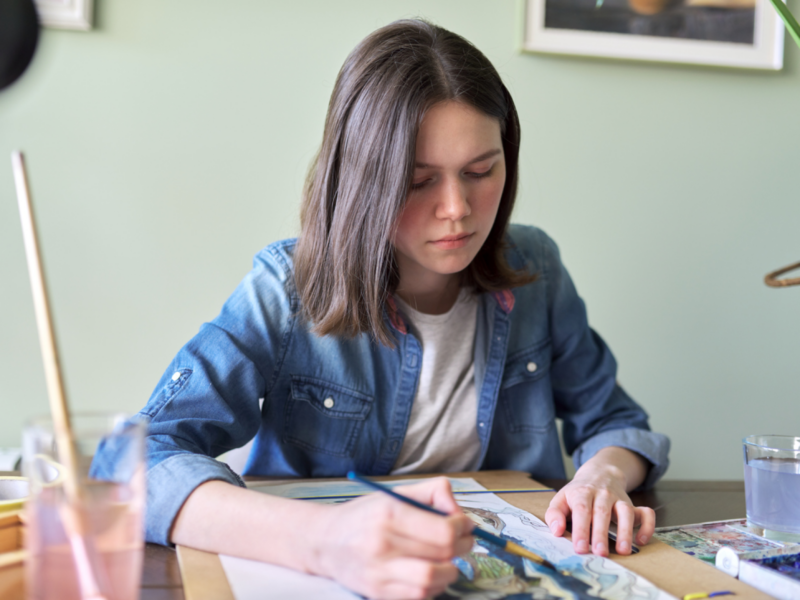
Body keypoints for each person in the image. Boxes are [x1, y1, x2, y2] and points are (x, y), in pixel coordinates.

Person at [94, 18, 669, 600]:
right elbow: (130, 464)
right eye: (419, 181)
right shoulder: (287, 288)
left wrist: (603, 475)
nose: (457, 209)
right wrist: (325, 539)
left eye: (481, 171)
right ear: (363, 179)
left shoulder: (536, 267)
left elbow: (615, 423)